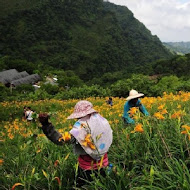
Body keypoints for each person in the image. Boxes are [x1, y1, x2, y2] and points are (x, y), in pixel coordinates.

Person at [38, 100, 113, 188]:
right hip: (104, 163)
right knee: (102, 184)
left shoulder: (80, 129)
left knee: (83, 185)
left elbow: (61, 140)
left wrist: (46, 125)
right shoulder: (102, 123)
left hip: (87, 168)